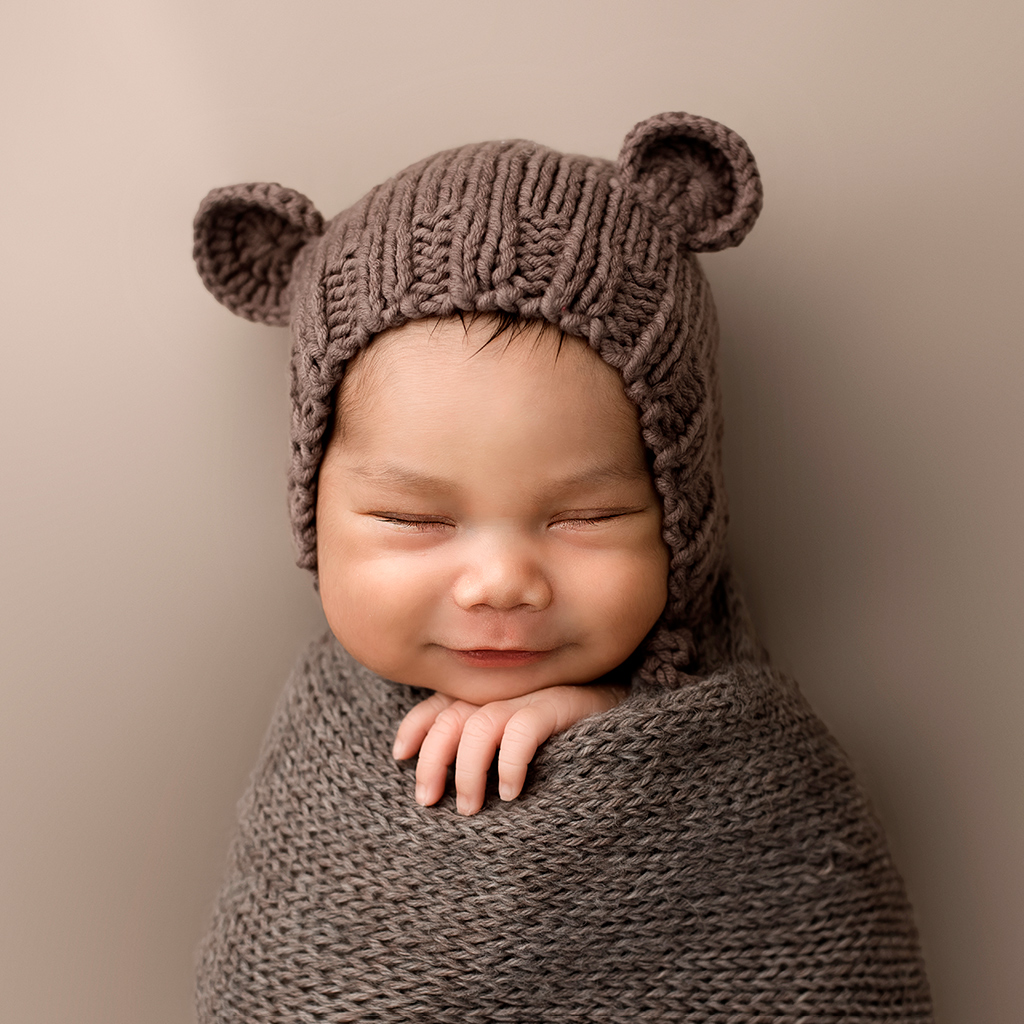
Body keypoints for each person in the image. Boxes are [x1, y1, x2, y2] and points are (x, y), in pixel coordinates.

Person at [192, 112, 933, 1021]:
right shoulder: (316, 774)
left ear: (682, 518)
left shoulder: (758, 782)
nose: (501, 581)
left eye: (585, 516)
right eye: (415, 519)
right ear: (317, 514)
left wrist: (614, 723)